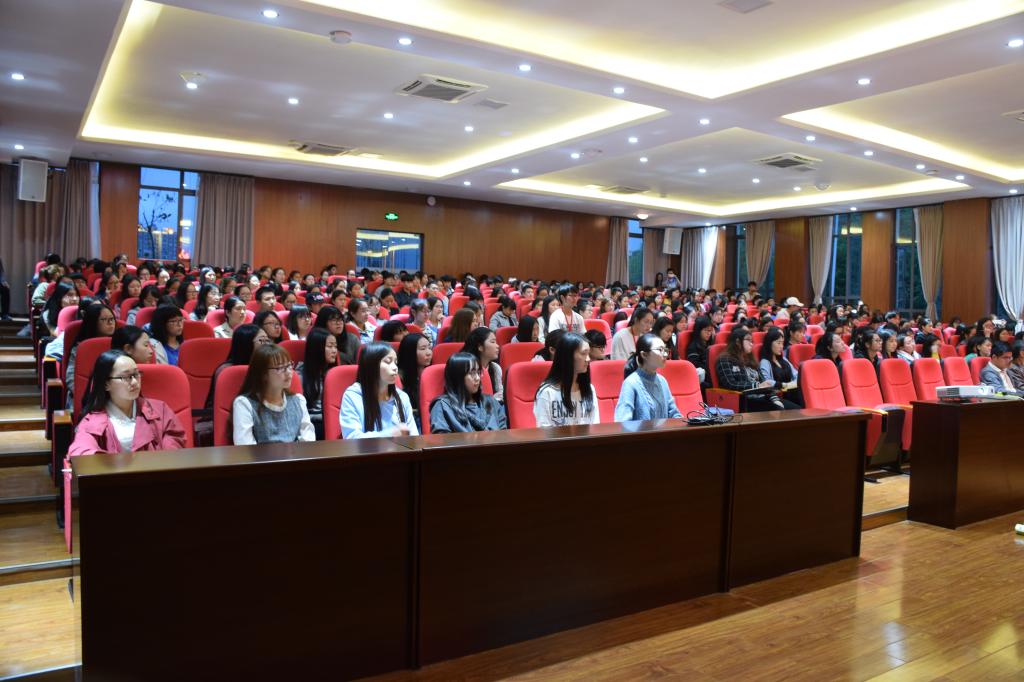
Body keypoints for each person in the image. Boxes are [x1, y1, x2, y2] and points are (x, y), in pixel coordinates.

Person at [68, 350, 187, 455]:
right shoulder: (92, 421)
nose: (135, 382)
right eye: (126, 377)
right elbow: (81, 451)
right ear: (106, 384)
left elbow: (175, 440)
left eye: (136, 374)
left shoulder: (160, 409)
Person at [232, 344, 315, 444]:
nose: (288, 372)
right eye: (280, 367)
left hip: (296, 454)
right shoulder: (245, 404)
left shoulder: (298, 400)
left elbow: (308, 440)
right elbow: (244, 447)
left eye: (289, 365)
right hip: (261, 455)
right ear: (263, 374)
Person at [339, 342, 418, 438]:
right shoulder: (352, 396)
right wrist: (390, 434)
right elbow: (351, 438)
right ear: (371, 365)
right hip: (367, 449)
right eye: (388, 362)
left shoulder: (402, 397)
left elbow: (414, 437)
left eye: (395, 362)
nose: (395, 368)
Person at [716, 328, 799, 412]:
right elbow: (730, 384)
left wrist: (774, 398)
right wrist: (757, 386)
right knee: (779, 410)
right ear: (738, 342)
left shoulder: (750, 359)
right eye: (748, 340)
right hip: (745, 399)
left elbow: (763, 382)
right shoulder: (725, 359)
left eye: (752, 341)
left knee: (796, 409)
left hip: (762, 397)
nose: (751, 344)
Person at [429, 352, 507, 433]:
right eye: (472, 373)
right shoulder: (442, 406)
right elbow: (441, 438)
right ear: (457, 377)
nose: (477, 378)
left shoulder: (491, 402)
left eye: (478, 372)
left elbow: (503, 433)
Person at [534, 332, 599, 427]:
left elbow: (595, 426)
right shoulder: (547, 392)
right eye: (583, 353)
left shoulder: (589, 389)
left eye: (588, 353)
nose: (588, 359)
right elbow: (544, 430)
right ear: (567, 356)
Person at [614, 332, 681, 422]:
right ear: (644, 355)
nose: (665, 354)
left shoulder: (662, 381)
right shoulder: (631, 383)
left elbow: (674, 413)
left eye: (665, 349)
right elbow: (622, 422)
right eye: (660, 350)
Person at [65, 302, 118, 408]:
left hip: (116, 398)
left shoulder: (120, 344)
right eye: (104, 319)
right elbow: (71, 379)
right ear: (93, 322)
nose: (110, 323)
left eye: (112, 319)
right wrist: (90, 398)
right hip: (86, 400)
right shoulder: (81, 348)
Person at [297, 328, 338, 440]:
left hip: (334, 419)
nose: (334, 350)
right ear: (316, 348)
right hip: (314, 423)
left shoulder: (334, 374)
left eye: (335, 346)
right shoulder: (301, 377)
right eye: (330, 346)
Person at [396, 332, 432, 430]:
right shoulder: (399, 377)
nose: (429, 352)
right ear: (409, 352)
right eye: (423, 349)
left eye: (429, 347)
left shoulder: (431, 375)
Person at [758, 327, 801, 407]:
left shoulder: (783, 359)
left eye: (782, 343)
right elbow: (767, 382)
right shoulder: (765, 362)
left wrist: (793, 383)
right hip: (777, 396)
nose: (781, 346)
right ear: (769, 344)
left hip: (791, 392)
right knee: (799, 408)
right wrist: (784, 385)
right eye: (778, 343)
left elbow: (796, 374)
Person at [461, 326, 503, 402]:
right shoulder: (465, 368)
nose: (497, 346)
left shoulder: (496, 368)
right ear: (480, 347)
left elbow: (500, 394)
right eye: (493, 342)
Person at [685, 315, 715, 388]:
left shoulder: (710, 344)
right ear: (698, 331)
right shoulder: (693, 347)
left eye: (710, 330)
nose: (709, 333)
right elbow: (695, 366)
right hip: (702, 379)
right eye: (706, 330)